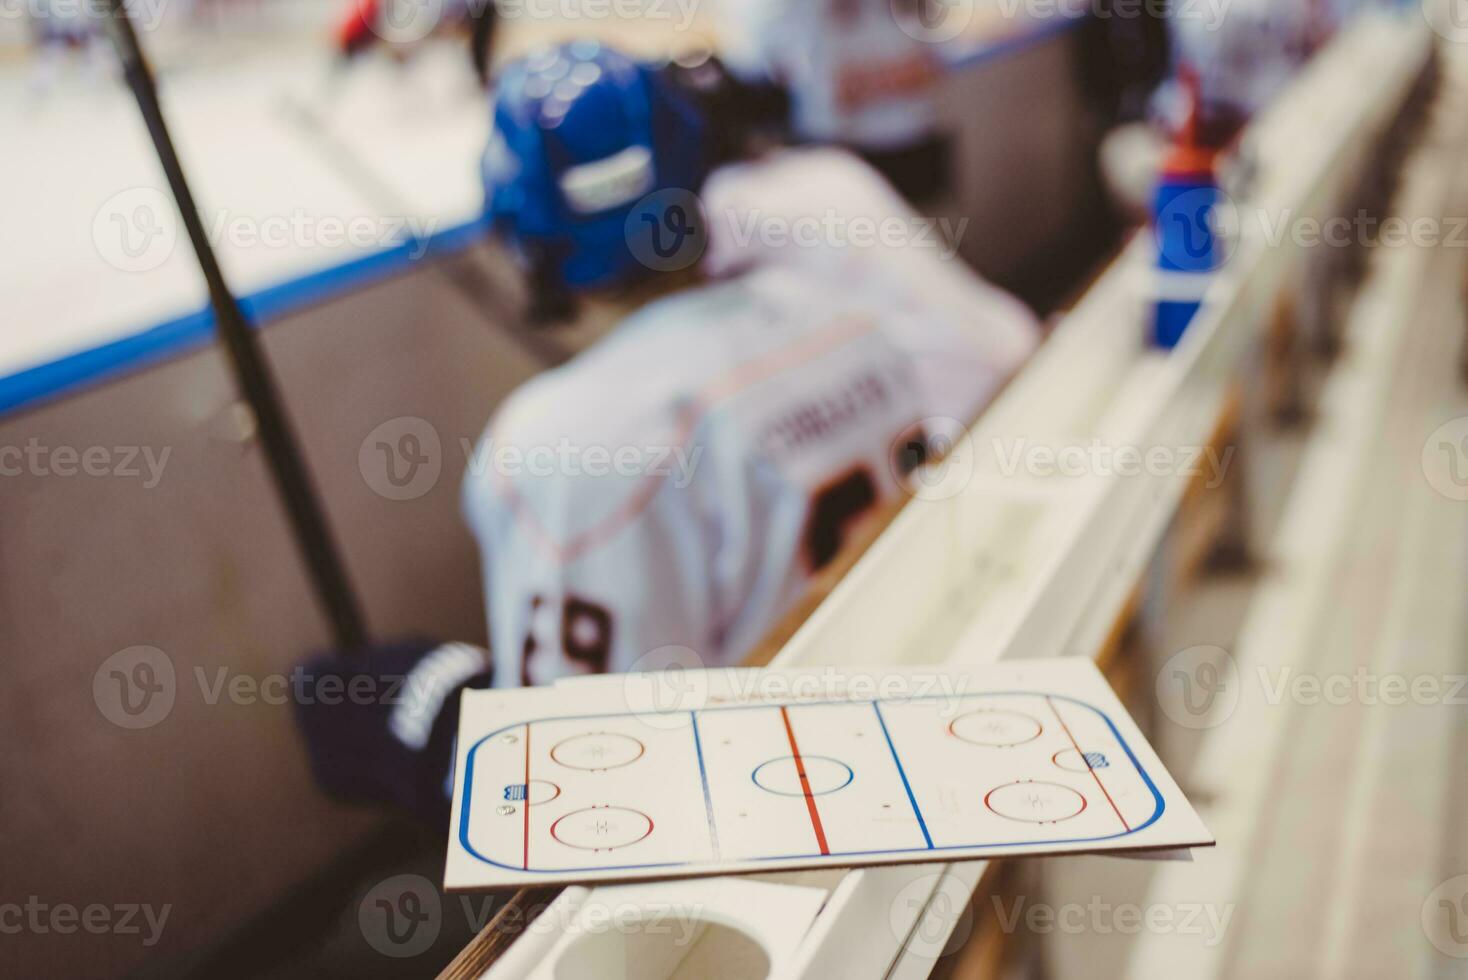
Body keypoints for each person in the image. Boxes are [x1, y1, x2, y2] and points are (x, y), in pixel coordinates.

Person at [297, 39, 1039, 822]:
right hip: (908, 746)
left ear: (525, 239)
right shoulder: (846, 316)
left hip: (784, 826)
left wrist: (437, 726)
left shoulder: (567, 443)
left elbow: (578, 791)